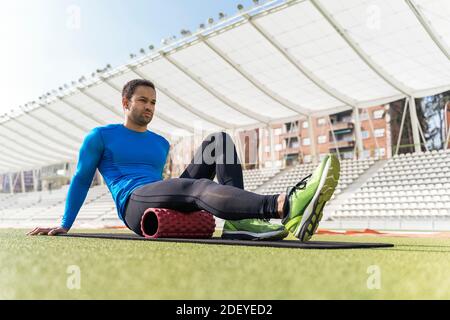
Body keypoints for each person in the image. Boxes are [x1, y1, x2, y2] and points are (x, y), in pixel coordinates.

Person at [27, 79, 340, 242]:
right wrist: (64, 225)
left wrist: (176, 187)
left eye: (153, 102)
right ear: (125, 103)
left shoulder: (160, 142)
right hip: (134, 203)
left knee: (218, 140)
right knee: (197, 187)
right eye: (142, 101)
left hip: (160, 189)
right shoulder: (100, 135)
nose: (149, 107)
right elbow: (82, 178)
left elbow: (168, 182)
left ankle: (238, 224)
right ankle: (283, 205)